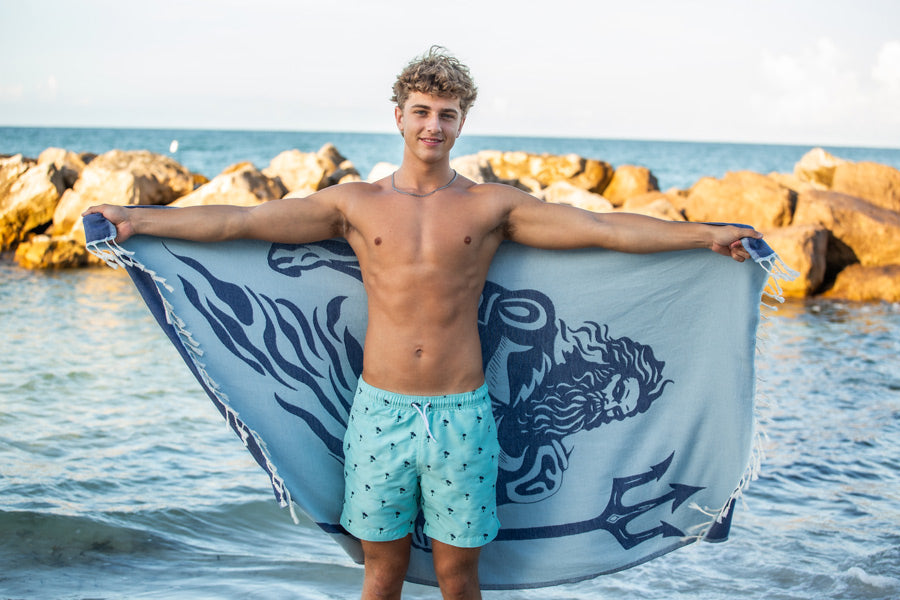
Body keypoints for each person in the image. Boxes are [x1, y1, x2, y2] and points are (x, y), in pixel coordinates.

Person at [84, 46, 760, 600]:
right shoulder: (355, 204)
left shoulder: (491, 207)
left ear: (461, 123)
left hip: (463, 415)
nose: (433, 125)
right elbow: (242, 221)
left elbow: (601, 230)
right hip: (379, 414)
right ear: (399, 118)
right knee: (380, 573)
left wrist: (703, 236)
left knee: (458, 577)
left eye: (447, 114)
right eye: (421, 112)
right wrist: (138, 220)